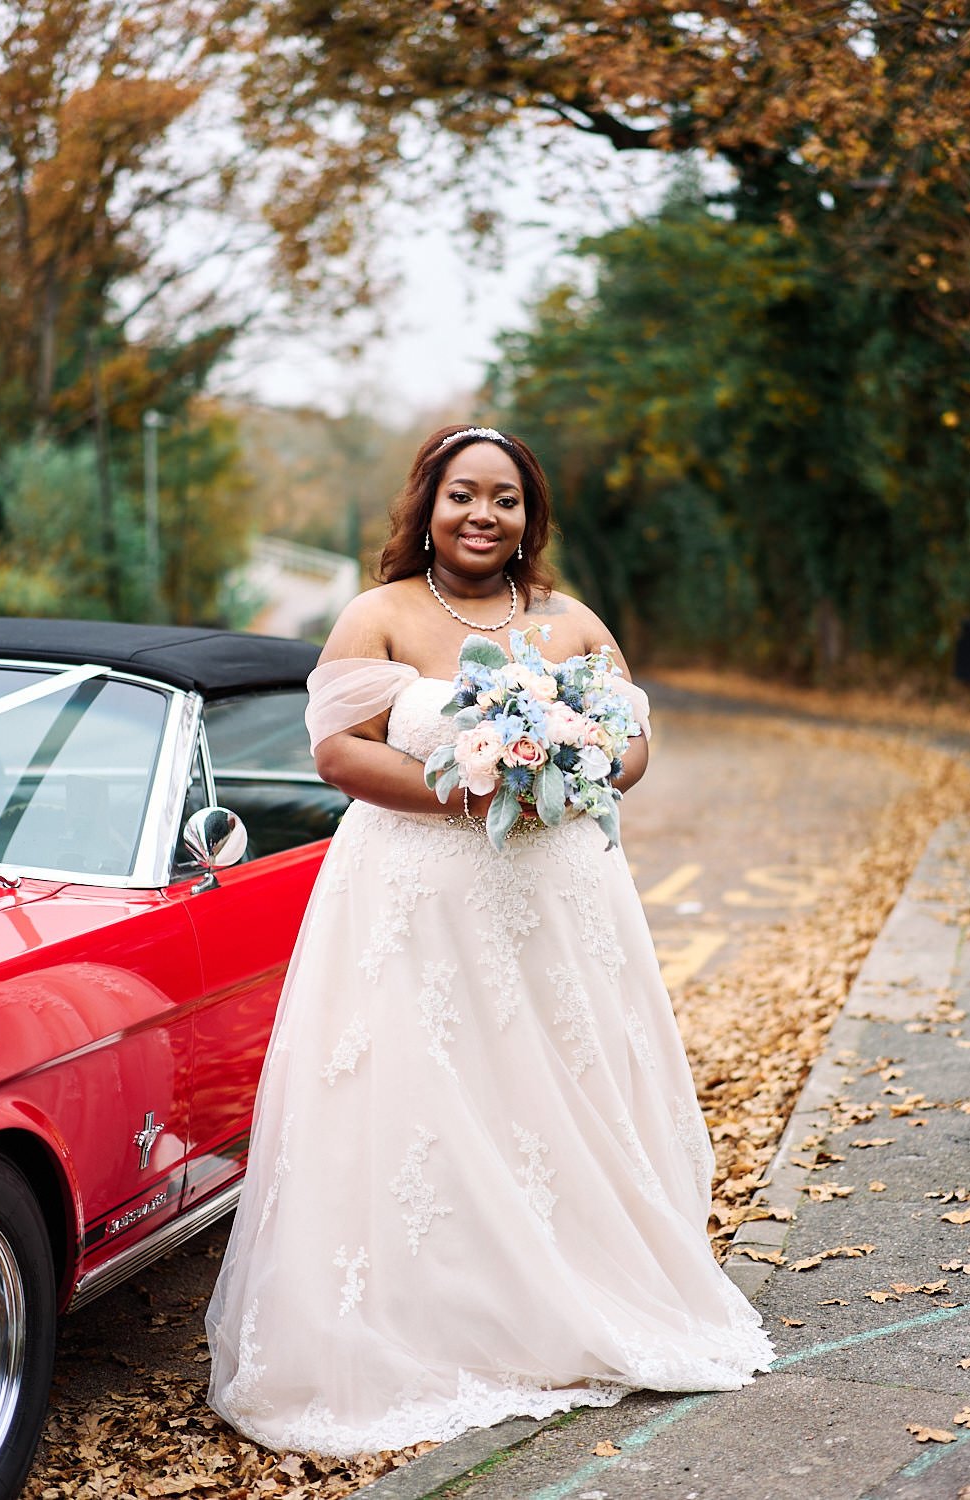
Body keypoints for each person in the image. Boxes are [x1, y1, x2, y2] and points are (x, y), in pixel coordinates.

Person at [205, 424, 773, 1456]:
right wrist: (466, 790)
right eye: (462, 494)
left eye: (504, 499)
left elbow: (632, 741)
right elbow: (336, 750)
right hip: (410, 895)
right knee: (418, 1088)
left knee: (550, 1081)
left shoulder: (570, 620)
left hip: (556, 894)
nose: (482, 515)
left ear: (529, 518)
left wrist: (580, 772)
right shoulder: (376, 616)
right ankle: (429, 1317)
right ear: (425, 505)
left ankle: (573, 1295)